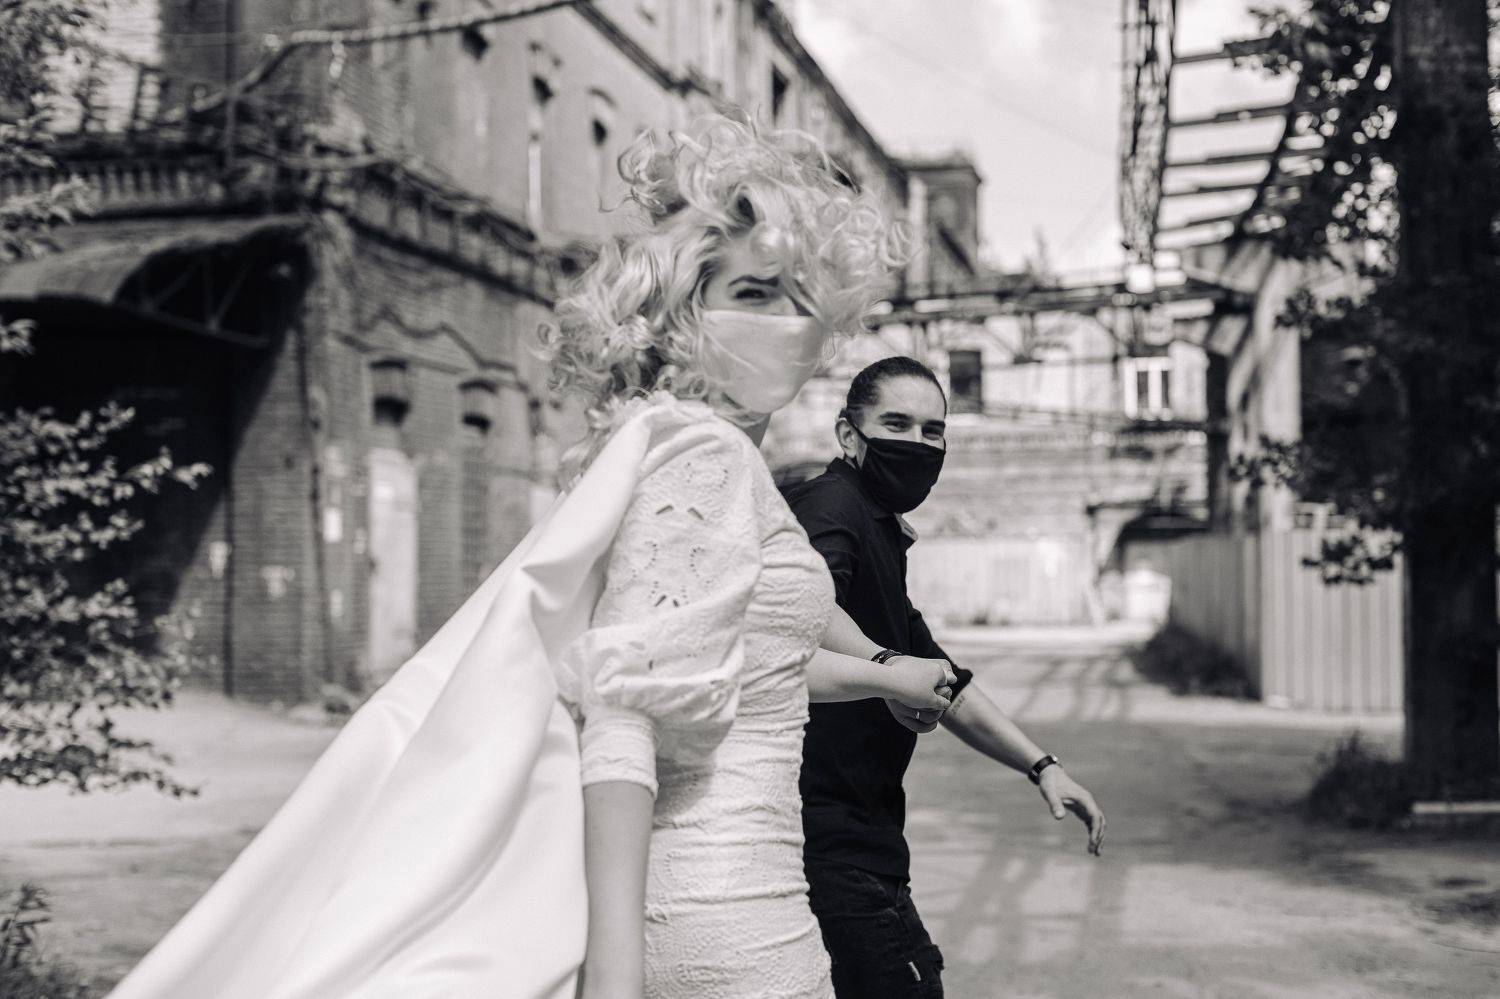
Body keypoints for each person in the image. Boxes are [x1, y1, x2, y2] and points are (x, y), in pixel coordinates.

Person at [105, 113, 954, 999]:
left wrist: (885, 675)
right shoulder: (704, 456)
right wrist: (614, 983)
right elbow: (626, 711)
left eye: (800, 298)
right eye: (753, 292)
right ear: (684, 310)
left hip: (741, 902)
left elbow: (739, 664)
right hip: (729, 915)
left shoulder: (684, 448)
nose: (785, 322)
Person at [784, 355, 1108, 999]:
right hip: (823, 839)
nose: (917, 444)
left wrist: (1042, 765)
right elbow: (800, 611)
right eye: (896, 425)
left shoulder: (875, 526)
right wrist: (886, 668)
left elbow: (947, 684)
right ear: (848, 434)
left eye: (932, 431)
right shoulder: (830, 505)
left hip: (863, 837)